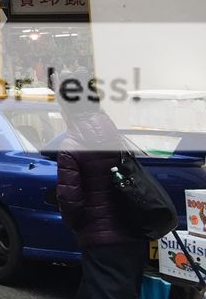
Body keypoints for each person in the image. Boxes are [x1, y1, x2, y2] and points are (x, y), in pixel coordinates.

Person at [56, 80, 146, 298]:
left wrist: (79, 226)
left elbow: (69, 200)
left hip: (99, 239)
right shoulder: (115, 136)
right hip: (132, 231)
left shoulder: (70, 147)